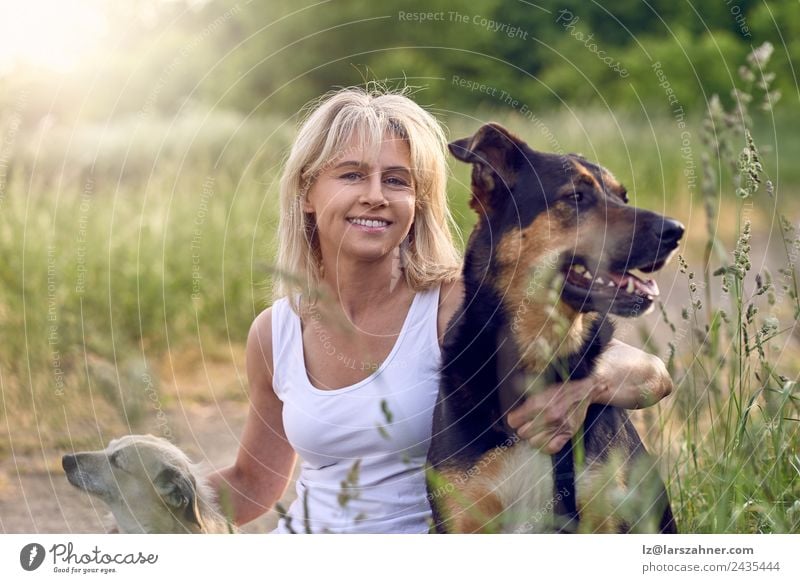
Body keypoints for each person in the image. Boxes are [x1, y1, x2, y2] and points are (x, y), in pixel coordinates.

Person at [205, 86, 673, 534]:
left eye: (396, 180)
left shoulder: (454, 303)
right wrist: (143, 502)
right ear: (307, 193)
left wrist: (586, 387)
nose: (375, 195)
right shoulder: (275, 330)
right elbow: (251, 486)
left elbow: (649, 372)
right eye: (351, 174)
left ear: (417, 201)